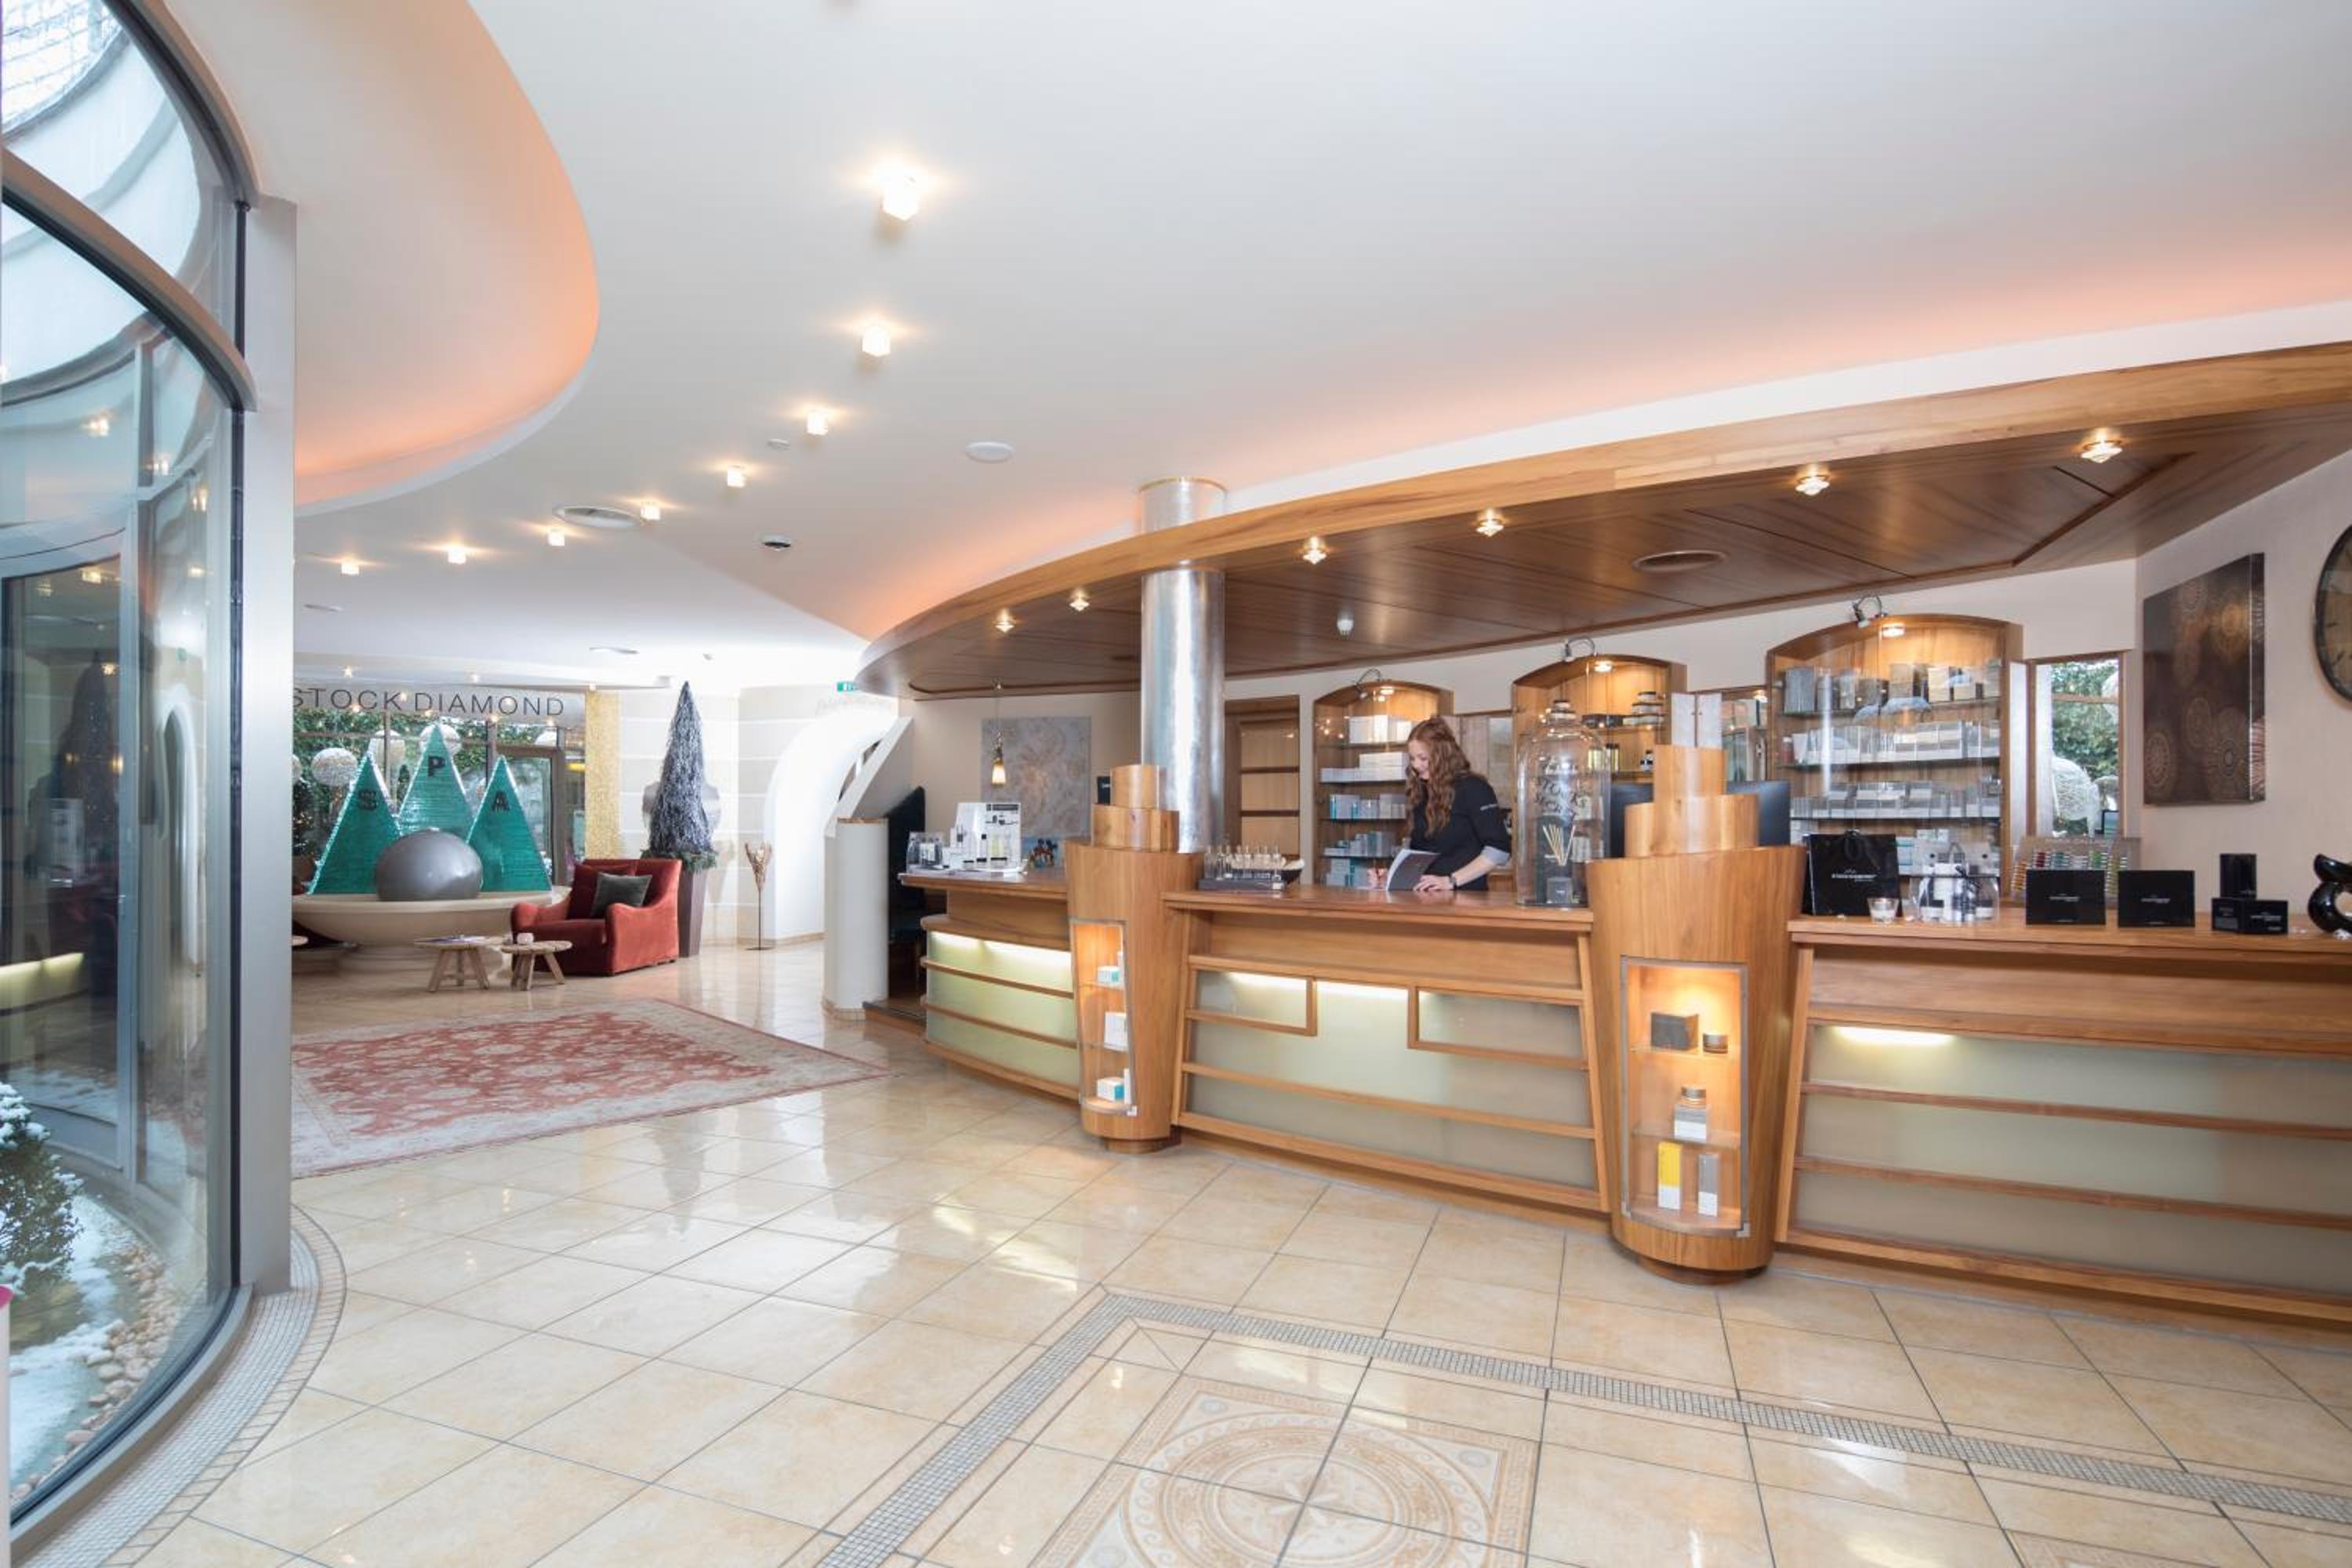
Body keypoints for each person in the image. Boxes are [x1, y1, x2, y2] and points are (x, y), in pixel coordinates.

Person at [1400, 717, 1511, 893]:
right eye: (1412, 759)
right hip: (1424, 898)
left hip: (1467, 898)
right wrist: (1393, 877)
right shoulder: (1420, 792)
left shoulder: (1474, 788)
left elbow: (1499, 850)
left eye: (1423, 758)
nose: (1416, 765)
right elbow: (1418, 854)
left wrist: (1451, 881)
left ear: (1443, 755)